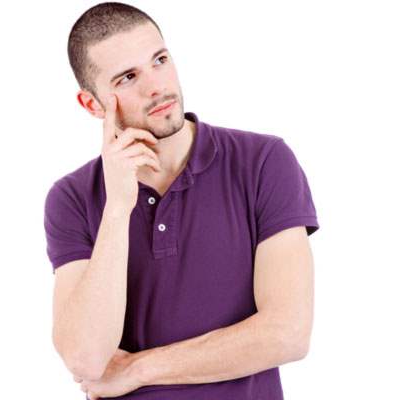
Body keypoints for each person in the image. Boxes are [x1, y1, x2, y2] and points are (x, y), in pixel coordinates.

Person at [43, 2, 320, 399]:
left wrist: (138, 369)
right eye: (128, 77)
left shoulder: (262, 162)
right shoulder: (71, 198)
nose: (156, 86)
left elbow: (287, 333)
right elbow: (86, 360)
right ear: (92, 104)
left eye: (160, 60)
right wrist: (118, 207)